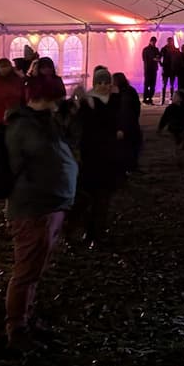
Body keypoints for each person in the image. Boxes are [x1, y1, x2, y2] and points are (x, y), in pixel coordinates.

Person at [1, 75, 78, 351]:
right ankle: (16, 329)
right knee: (26, 270)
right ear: (45, 97)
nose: (60, 102)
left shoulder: (46, 122)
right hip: (32, 209)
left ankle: (26, 320)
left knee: (34, 269)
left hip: (50, 206)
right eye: (57, 97)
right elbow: (20, 165)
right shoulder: (23, 126)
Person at [69, 75, 125, 249]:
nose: (104, 86)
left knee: (103, 197)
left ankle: (97, 232)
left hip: (108, 155)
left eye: (107, 82)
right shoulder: (89, 103)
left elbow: (119, 120)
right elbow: (78, 125)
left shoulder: (114, 101)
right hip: (92, 155)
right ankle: (85, 230)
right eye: (100, 83)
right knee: (89, 196)